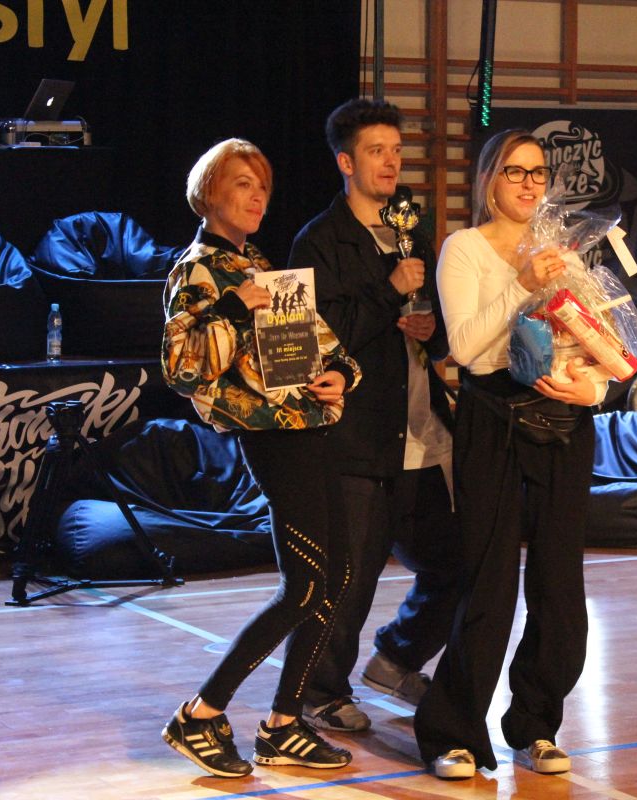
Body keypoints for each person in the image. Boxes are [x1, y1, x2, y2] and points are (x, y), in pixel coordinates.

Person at [159, 138, 361, 778]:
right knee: (304, 586)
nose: (256, 198)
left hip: (309, 427)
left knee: (335, 579)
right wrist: (230, 307)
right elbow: (180, 367)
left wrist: (340, 373)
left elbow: (321, 345)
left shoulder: (261, 266)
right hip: (271, 437)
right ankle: (200, 713)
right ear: (210, 193)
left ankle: (283, 724)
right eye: (242, 184)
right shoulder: (198, 270)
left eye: (263, 187)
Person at [412, 129, 610, 781]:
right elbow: (466, 349)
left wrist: (594, 387)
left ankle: (536, 725)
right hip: (492, 419)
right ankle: (452, 732)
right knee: (488, 584)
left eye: (537, 172)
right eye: (514, 171)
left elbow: (601, 340)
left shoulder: (563, 250)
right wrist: (522, 284)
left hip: (563, 420)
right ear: (489, 181)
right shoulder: (464, 248)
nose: (528, 183)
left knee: (560, 587)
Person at [287, 98, 459, 733]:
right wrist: (388, 293)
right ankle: (318, 692)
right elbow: (316, 340)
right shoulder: (318, 241)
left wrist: (433, 330)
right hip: (358, 438)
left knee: (457, 561)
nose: (391, 162)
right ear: (346, 163)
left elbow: (440, 333)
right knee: (349, 576)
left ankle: (397, 658)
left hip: (422, 431)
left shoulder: (410, 230)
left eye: (396, 150)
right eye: (375, 151)